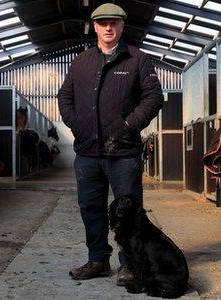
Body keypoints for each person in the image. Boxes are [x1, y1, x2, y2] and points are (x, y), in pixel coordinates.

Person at [57, 3, 164, 286]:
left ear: (122, 26)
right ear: (95, 26)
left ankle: (129, 265)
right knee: (90, 207)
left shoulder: (137, 60)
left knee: (129, 210)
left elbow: (154, 98)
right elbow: (64, 96)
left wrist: (128, 126)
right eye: (103, 22)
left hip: (123, 153)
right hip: (88, 152)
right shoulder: (82, 61)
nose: (108, 27)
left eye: (114, 23)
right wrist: (75, 124)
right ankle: (98, 260)